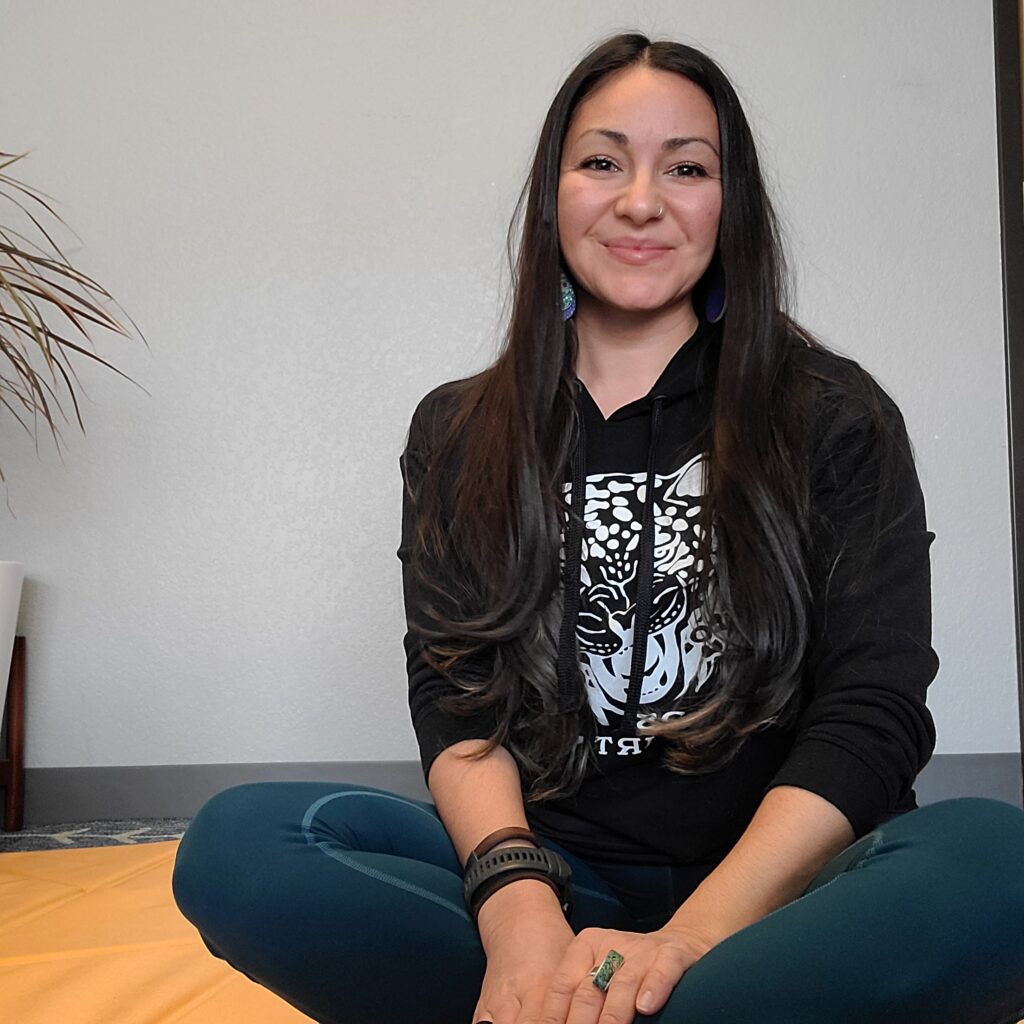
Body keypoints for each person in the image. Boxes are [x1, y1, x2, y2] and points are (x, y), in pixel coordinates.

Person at [171, 32, 1024, 1024]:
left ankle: (612, 1001)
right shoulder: (457, 430)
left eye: (688, 167)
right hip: (563, 882)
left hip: (788, 897)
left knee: (996, 863)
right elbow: (459, 699)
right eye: (602, 161)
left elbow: (874, 712)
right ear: (553, 194)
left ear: (727, 204)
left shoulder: (833, 414)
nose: (640, 200)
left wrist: (689, 939)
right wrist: (518, 916)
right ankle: (603, 995)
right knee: (243, 844)